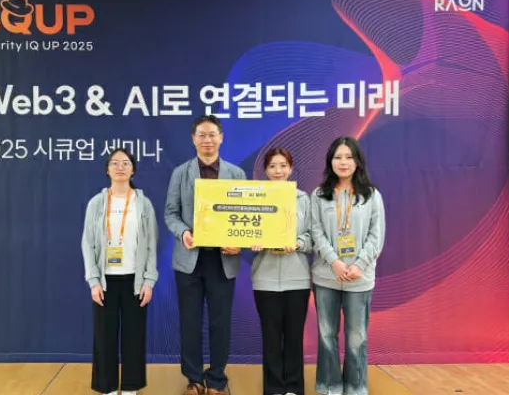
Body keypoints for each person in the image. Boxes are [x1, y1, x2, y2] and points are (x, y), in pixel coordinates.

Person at [164, 115, 247, 395]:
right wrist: (183, 233)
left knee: (220, 323)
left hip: (223, 260)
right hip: (190, 259)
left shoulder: (236, 174)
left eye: (212, 134)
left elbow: (246, 215)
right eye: (202, 135)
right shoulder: (181, 173)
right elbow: (171, 214)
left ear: (221, 137)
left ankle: (217, 379)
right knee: (190, 321)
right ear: (193, 139)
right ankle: (194, 379)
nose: (207, 140)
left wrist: (239, 242)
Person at [310, 137, 386, 395]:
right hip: (326, 275)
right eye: (338, 157)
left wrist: (360, 265)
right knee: (326, 335)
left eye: (348, 157)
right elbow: (316, 231)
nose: (343, 162)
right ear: (330, 162)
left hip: (359, 277)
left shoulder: (371, 195)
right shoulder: (319, 195)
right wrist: (334, 261)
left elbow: (376, 235)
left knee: (357, 337)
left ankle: (355, 388)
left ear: (357, 162)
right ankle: (329, 387)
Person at [81, 148, 159, 395]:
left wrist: (149, 281)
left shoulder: (143, 204)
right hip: (105, 281)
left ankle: (130, 387)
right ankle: (107, 386)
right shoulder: (96, 203)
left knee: (134, 335)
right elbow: (87, 243)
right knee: (104, 336)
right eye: (114, 163)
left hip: (135, 280)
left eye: (125, 163)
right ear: (107, 170)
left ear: (133, 170)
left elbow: (151, 244)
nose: (120, 167)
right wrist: (93, 280)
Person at [250, 148, 312, 395]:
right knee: (271, 339)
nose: (278, 171)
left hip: (297, 279)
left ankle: (294, 388)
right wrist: (252, 241)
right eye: (273, 166)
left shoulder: (303, 199)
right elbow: (243, 230)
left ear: (291, 168)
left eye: (283, 165)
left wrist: (298, 243)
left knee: (294, 338)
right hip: (264, 279)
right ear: (265, 170)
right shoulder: (256, 197)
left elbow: (312, 236)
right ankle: (274, 389)